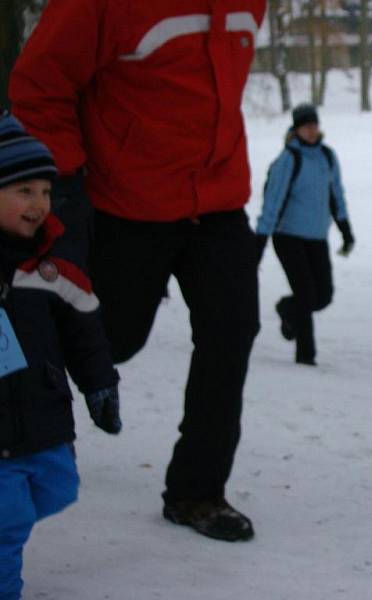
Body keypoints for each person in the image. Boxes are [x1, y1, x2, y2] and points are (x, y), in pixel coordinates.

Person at [9, 0, 266, 541]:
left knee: (232, 329)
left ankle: (197, 492)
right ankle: (17, 432)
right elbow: (39, 84)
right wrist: (65, 186)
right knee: (109, 340)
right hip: (125, 204)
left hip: (217, 199)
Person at [0, 112, 120, 600]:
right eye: (23, 191)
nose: (39, 204)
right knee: (8, 521)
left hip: (44, 412)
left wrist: (100, 384)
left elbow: (84, 331)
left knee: (58, 489)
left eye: (45, 191)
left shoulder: (53, 268)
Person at [255, 104, 354, 366]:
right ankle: (306, 356)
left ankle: (287, 309)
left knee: (323, 296)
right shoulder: (289, 159)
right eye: (305, 126)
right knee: (307, 294)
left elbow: (336, 195)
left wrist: (346, 230)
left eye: (314, 125)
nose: (311, 130)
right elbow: (273, 201)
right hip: (288, 236)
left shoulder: (328, 157)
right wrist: (260, 240)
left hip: (317, 237)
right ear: (297, 128)